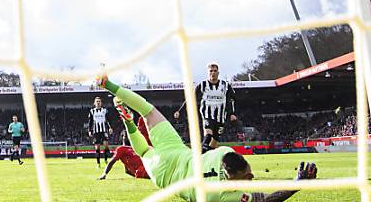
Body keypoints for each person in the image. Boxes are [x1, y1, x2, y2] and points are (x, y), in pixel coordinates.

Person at [97, 74, 317, 201]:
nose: (251, 178)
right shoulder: (222, 196)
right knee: (144, 151)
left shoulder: (224, 153)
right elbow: (267, 200)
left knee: (148, 111)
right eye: (248, 176)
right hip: (165, 175)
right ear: (232, 178)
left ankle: (109, 86)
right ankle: (127, 121)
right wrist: (298, 184)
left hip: (176, 151)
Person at [174, 63, 236, 152]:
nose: (213, 73)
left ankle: (206, 155)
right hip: (207, 114)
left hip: (221, 116)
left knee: (214, 141)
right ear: (208, 73)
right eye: (211, 71)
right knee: (208, 134)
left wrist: (232, 113)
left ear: (218, 72)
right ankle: (199, 154)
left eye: (215, 71)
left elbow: (232, 99)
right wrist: (180, 111)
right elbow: (191, 98)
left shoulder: (225, 85)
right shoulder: (202, 85)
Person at [99, 106, 151, 181]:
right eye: (124, 136)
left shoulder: (132, 147)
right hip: (143, 170)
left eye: (125, 135)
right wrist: (104, 174)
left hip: (146, 167)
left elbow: (126, 170)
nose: (125, 137)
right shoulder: (123, 149)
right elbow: (112, 162)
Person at [88, 96, 113, 167]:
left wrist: (110, 127)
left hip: (104, 130)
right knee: (97, 147)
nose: (98, 103)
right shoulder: (92, 111)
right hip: (96, 132)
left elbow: (108, 120)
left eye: (99, 101)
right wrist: (89, 130)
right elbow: (90, 122)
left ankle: (105, 159)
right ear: (94, 103)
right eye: (97, 101)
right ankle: (98, 163)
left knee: (106, 145)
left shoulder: (104, 110)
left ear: (101, 103)